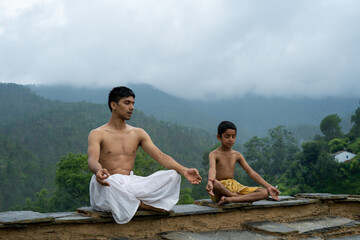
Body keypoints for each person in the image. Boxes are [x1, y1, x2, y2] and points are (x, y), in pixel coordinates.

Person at [88, 86, 202, 224]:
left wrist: (184, 170)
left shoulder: (138, 133)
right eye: (127, 103)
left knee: (173, 175)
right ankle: (142, 205)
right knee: (108, 182)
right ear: (114, 105)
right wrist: (99, 171)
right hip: (108, 185)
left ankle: (131, 203)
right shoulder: (98, 133)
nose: (132, 107)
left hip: (130, 184)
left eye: (133, 103)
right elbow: (92, 160)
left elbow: (161, 156)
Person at [206, 121, 279, 205]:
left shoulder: (237, 155)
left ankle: (231, 199)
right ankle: (233, 196)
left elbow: (251, 172)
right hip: (221, 189)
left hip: (235, 186)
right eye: (227, 136)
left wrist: (269, 186)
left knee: (264, 192)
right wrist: (210, 181)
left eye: (233, 137)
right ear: (219, 137)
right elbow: (212, 169)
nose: (230, 139)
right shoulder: (214, 154)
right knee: (214, 183)